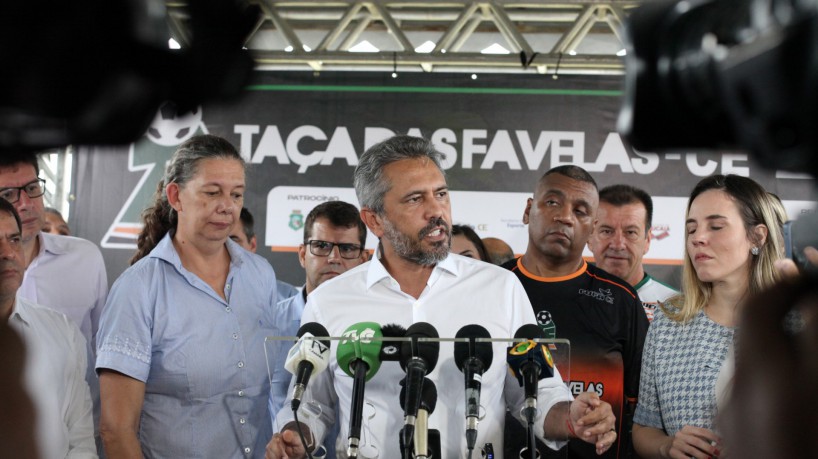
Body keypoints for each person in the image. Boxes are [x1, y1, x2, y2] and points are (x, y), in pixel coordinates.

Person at [267, 135, 617, 459]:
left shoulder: (501, 288)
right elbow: (312, 407)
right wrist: (296, 434)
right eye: (416, 198)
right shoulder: (330, 300)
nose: (437, 211)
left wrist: (573, 417)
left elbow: (538, 393)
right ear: (374, 220)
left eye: (441, 194)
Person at [95, 134, 279, 457]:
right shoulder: (138, 289)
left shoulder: (260, 274)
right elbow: (117, 430)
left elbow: (272, 385)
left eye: (236, 195)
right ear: (176, 196)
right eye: (212, 193)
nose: (227, 206)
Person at [632, 174, 783, 459]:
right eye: (691, 229)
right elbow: (644, 427)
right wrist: (667, 446)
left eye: (716, 226)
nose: (698, 238)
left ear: (758, 237)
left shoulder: (797, 324)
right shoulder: (667, 324)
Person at [503, 165, 648, 459]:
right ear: (528, 210)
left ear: (593, 228)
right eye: (553, 202)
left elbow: (643, 410)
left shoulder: (621, 300)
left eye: (580, 211)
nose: (565, 217)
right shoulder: (493, 288)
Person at [0, 152, 108, 449]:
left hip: (78, 431)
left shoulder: (85, 259)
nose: (25, 202)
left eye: (32, 188)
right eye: (9, 193)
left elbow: (104, 350)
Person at [269, 200, 369, 459]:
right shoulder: (267, 325)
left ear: (364, 259)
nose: (334, 258)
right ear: (303, 254)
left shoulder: (375, 330)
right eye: (322, 246)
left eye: (347, 248)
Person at [587, 184, 678, 321]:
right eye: (606, 231)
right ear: (589, 238)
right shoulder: (568, 299)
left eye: (630, 232)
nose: (618, 245)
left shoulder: (678, 307)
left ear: (647, 240)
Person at [230, 206, 300, 300]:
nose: (222, 248)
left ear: (252, 244)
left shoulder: (288, 297)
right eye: (215, 241)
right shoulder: (203, 296)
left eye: (233, 241)